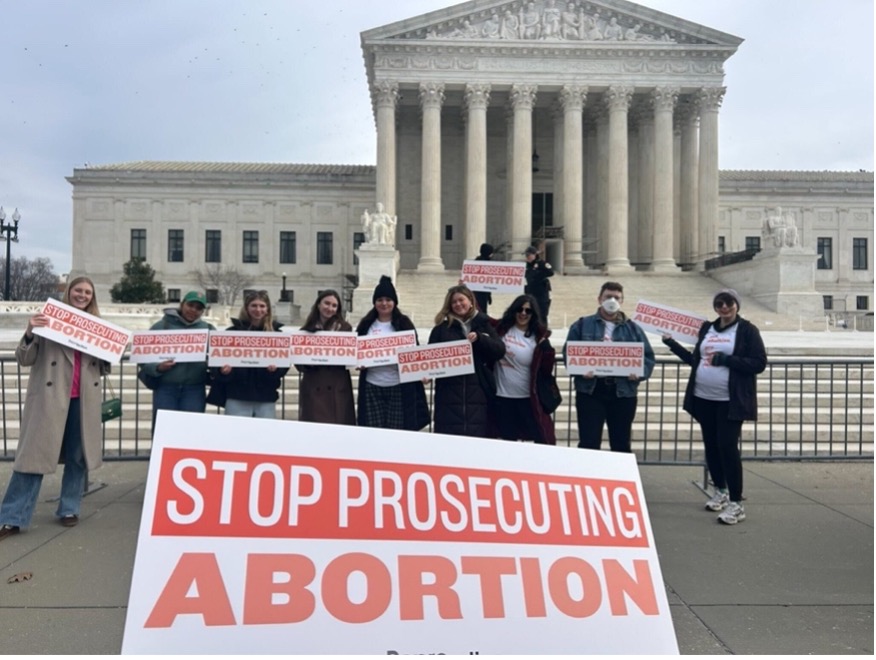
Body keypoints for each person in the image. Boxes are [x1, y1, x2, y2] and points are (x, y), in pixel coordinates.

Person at [0, 276, 110, 540]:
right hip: (50, 399)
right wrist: (29, 332)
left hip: (83, 400)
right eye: (78, 290)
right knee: (33, 457)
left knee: (77, 456)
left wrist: (110, 352)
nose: (82, 295)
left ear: (91, 298)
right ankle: (12, 517)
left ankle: (69, 508)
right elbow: (24, 358)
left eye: (87, 292)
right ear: (69, 292)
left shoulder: (98, 328)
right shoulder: (48, 320)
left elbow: (102, 367)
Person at [662, 288, 767, 525]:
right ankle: (720, 490)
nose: (724, 307)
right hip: (703, 397)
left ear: (737, 305)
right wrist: (672, 344)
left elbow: (759, 363)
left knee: (728, 447)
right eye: (719, 304)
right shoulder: (706, 328)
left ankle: (737, 503)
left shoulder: (747, 330)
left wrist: (728, 360)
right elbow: (694, 360)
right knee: (711, 445)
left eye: (729, 303)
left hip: (731, 401)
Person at [564, 281, 655, 453]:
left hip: (623, 392)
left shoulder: (633, 329)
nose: (612, 300)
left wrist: (639, 373)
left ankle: (619, 479)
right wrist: (580, 370)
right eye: (608, 297)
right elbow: (569, 354)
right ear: (599, 299)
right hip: (591, 390)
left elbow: (648, 357)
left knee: (621, 443)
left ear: (622, 301)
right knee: (589, 443)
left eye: (616, 297)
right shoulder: (582, 325)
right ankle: (588, 478)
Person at [428, 285, 505, 438]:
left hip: (478, 393)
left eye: (461, 300)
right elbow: (430, 359)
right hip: (449, 395)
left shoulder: (484, 325)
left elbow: (499, 350)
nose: (458, 304)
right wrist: (426, 374)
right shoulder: (441, 329)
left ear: (471, 301)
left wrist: (480, 338)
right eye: (454, 302)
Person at [355, 276, 430, 431]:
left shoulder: (404, 324)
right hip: (372, 384)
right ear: (374, 302)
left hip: (398, 385)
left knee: (396, 431)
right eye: (380, 299)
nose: (384, 303)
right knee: (373, 431)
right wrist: (358, 362)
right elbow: (356, 351)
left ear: (394, 302)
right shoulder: (365, 325)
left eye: (388, 299)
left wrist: (422, 372)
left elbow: (414, 353)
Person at [140, 291, 215, 433]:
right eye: (190, 305)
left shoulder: (209, 330)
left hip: (194, 389)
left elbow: (218, 356)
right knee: (163, 431)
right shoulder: (161, 327)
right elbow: (143, 358)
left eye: (198, 308)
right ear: (182, 304)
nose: (193, 310)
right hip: (165, 388)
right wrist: (158, 367)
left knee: (191, 431)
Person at [212, 291, 288, 418]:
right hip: (237, 395)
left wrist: (275, 370)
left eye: (262, 306)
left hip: (265, 396)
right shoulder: (231, 333)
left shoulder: (277, 335)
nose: (258, 309)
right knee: (235, 436)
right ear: (246, 308)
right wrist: (223, 371)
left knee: (264, 436)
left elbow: (284, 365)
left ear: (268, 309)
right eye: (254, 305)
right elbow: (217, 362)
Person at [493, 294, 557, 444]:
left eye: (528, 311)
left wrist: (548, 352)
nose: (523, 313)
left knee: (538, 440)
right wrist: (468, 289)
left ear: (533, 314)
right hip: (502, 397)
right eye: (520, 309)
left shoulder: (538, 338)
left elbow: (546, 371)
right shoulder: (500, 329)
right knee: (506, 443)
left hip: (528, 399)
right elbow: (478, 313)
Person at [297, 290, 356, 425]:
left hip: (337, 385)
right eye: (327, 303)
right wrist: (310, 362)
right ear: (318, 304)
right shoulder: (305, 331)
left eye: (334, 306)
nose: (330, 308)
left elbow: (349, 358)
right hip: (314, 385)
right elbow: (299, 364)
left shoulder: (345, 329)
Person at [523, 245, 554, 325]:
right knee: (530, 314)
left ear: (534, 255)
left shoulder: (541, 263)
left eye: (528, 255)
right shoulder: (526, 266)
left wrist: (537, 274)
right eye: (526, 255)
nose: (527, 257)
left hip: (541, 294)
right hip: (530, 293)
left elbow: (550, 272)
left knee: (542, 315)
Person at [473, 242, 494, 315]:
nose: (492, 255)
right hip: (480, 293)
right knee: (481, 311)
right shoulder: (486, 263)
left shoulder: (475, 262)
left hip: (476, 292)